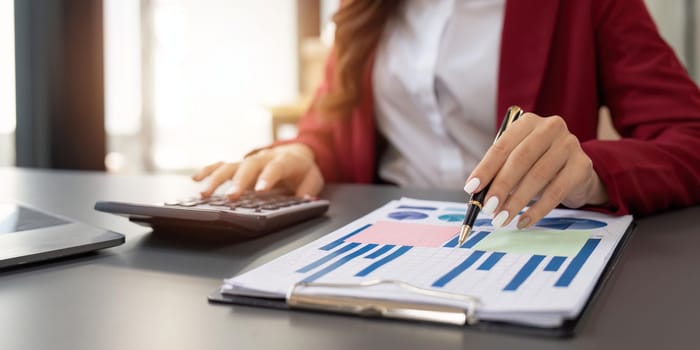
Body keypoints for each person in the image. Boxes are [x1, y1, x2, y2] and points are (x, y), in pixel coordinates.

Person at [193, 0, 700, 229]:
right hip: (374, 239)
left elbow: (689, 134)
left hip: (519, 241)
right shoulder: (364, 8)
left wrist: (590, 173)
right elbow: (332, 118)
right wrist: (305, 152)